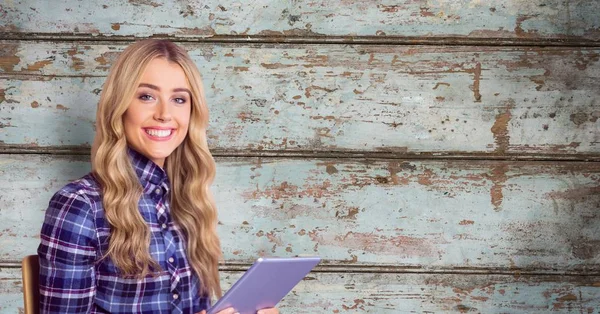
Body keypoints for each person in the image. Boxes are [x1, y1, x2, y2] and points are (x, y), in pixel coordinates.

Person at [38, 39, 279, 314]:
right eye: (147, 96)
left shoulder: (189, 199)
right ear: (120, 106)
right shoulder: (81, 206)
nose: (165, 114)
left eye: (178, 99)